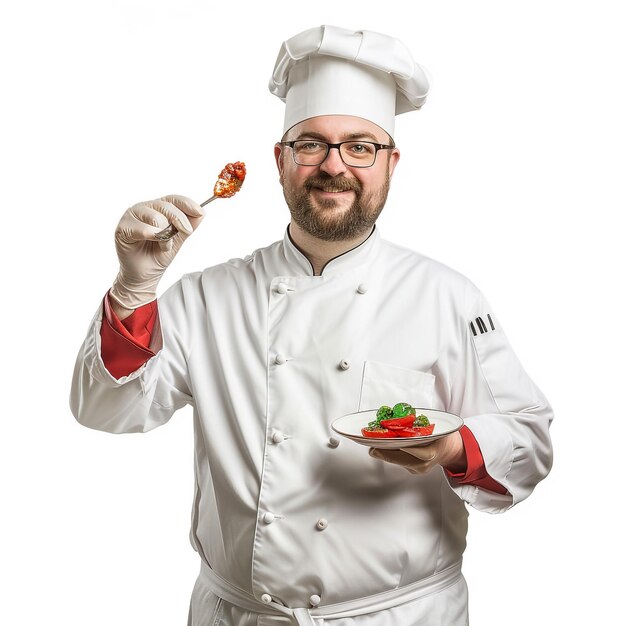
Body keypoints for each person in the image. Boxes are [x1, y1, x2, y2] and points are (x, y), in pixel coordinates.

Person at [70, 25, 553, 626]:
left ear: (390, 163)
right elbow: (106, 410)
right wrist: (134, 288)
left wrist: (454, 446)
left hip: (399, 617)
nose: (334, 166)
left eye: (359, 146)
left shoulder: (445, 295)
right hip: (240, 616)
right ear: (280, 160)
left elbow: (528, 442)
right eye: (311, 145)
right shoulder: (207, 296)